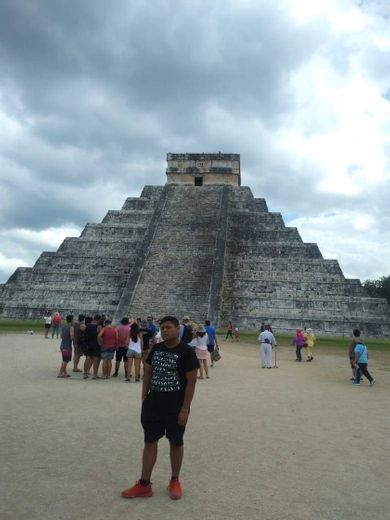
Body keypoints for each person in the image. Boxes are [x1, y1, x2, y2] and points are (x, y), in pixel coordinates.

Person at [121, 316, 199, 500]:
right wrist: (144, 397)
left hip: (175, 406)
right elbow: (148, 372)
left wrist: (185, 409)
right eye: (162, 328)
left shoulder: (187, 352)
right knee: (150, 441)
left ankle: (175, 479)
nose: (164, 331)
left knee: (176, 442)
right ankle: (144, 484)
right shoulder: (156, 348)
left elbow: (191, 383)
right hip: (153, 404)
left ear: (177, 328)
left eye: (168, 327)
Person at [84, 314, 102, 379]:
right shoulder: (98, 327)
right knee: (95, 359)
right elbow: (99, 336)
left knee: (87, 358)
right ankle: (95, 374)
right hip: (95, 344)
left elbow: (85, 334)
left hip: (88, 344)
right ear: (99, 320)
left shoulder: (87, 325)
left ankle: (85, 373)